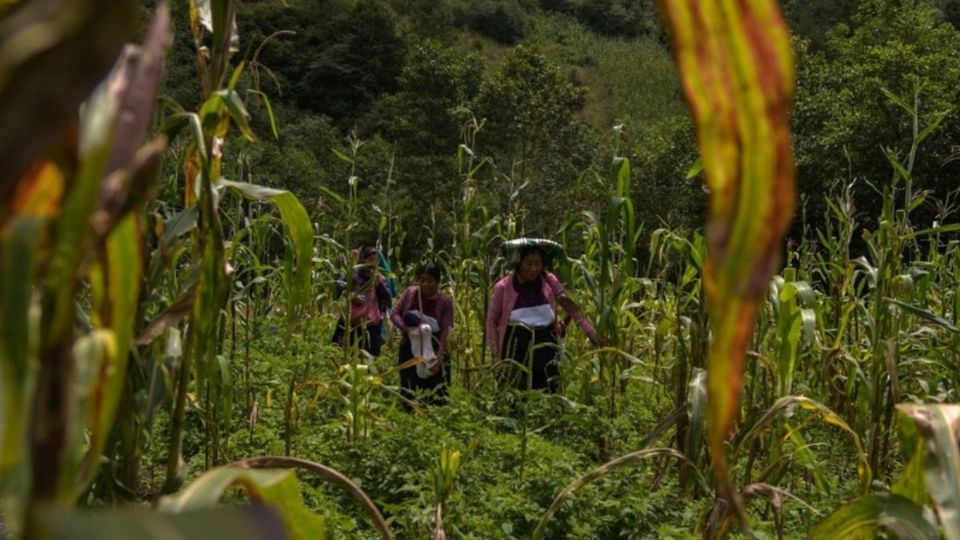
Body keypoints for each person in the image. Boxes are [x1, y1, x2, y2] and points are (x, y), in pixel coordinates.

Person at [486, 244, 606, 393]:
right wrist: (496, 356)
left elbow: (570, 307)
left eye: (538, 264)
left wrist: (591, 333)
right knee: (516, 392)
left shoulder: (549, 280)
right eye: (528, 264)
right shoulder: (503, 287)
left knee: (548, 389)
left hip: (546, 343)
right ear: (519, 263)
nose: (533, 269)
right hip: (516, 344)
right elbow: (492, 321)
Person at [391, 263, 454, 406]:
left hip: (434, 347)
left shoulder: (445, 302)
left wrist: (440, 355)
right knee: (410, 388)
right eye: (422, 280)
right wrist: (406, 329)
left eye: (430, 281)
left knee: (436, 393)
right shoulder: (410, 293)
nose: (425, 284)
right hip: (411, 346)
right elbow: (395, 314)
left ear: (438, 282)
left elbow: (447, 329)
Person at [331, 246, 392, 357]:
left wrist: (379, 284)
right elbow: (338, 288)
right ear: (363, 260)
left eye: (376, 260)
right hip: (350, 323)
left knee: (369, 358)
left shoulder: (380, 278)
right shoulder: (354, 274)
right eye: (370, 259)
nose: (374, 263)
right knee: (338, 353)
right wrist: (350, 294)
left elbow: (388, 298)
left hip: (370, 326)